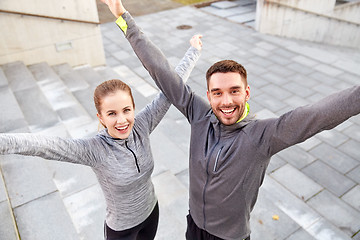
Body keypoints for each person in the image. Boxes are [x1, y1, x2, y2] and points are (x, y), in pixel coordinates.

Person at [101, 0, 360, 240]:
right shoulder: (199, 113)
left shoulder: (264, 135)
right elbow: (161, 70)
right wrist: (124, 17)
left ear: (247, 92)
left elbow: (318, 115)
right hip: (193, 227)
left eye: (234, 91)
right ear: (209, 96)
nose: (226, 101)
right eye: (218, 93)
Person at [0, 32, 202, 239]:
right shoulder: (94, 150)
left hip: (151, 214)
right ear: (101, 118)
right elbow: (44, 145)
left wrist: (193, 51)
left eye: (126, 110)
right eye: (112, 114)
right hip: (122, 230)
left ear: (133, 108)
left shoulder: (142, 125)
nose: (122, 120)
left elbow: (171, 89)